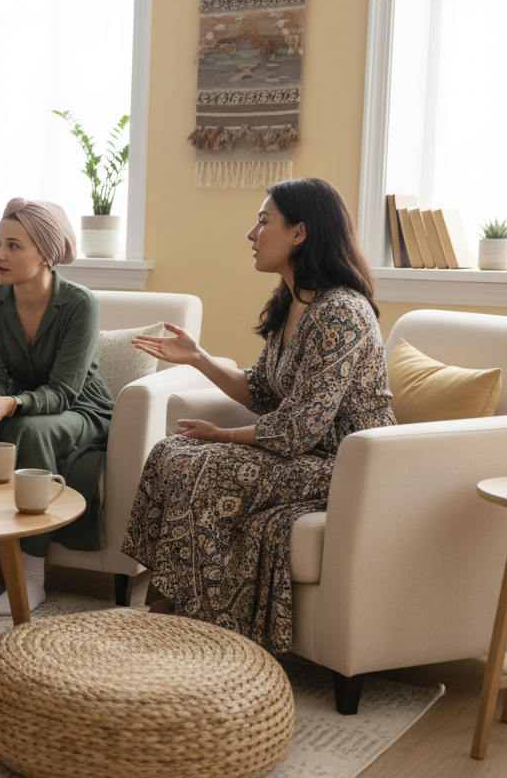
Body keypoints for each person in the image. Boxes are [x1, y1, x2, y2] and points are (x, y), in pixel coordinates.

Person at [123, 177, 396, 653]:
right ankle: (170, 605)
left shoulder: (342, 313)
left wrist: (221, 436)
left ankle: (201, 624)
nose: (252, 234)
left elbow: (298, 428)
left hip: (348, 465)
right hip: (304, 456)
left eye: (264, 221)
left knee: (201, 464)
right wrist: (198, 358)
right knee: (170, 453)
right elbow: (261, 391)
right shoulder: (292, 302)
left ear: (299, 233)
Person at [0, 197, 115, 616]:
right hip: (15, 401)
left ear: (45, 253)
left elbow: (64, 391)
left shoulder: (79, 304)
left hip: (81, 409)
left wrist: (12, 404)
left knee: (28, 431)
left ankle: (30, 577)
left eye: (14, 245)